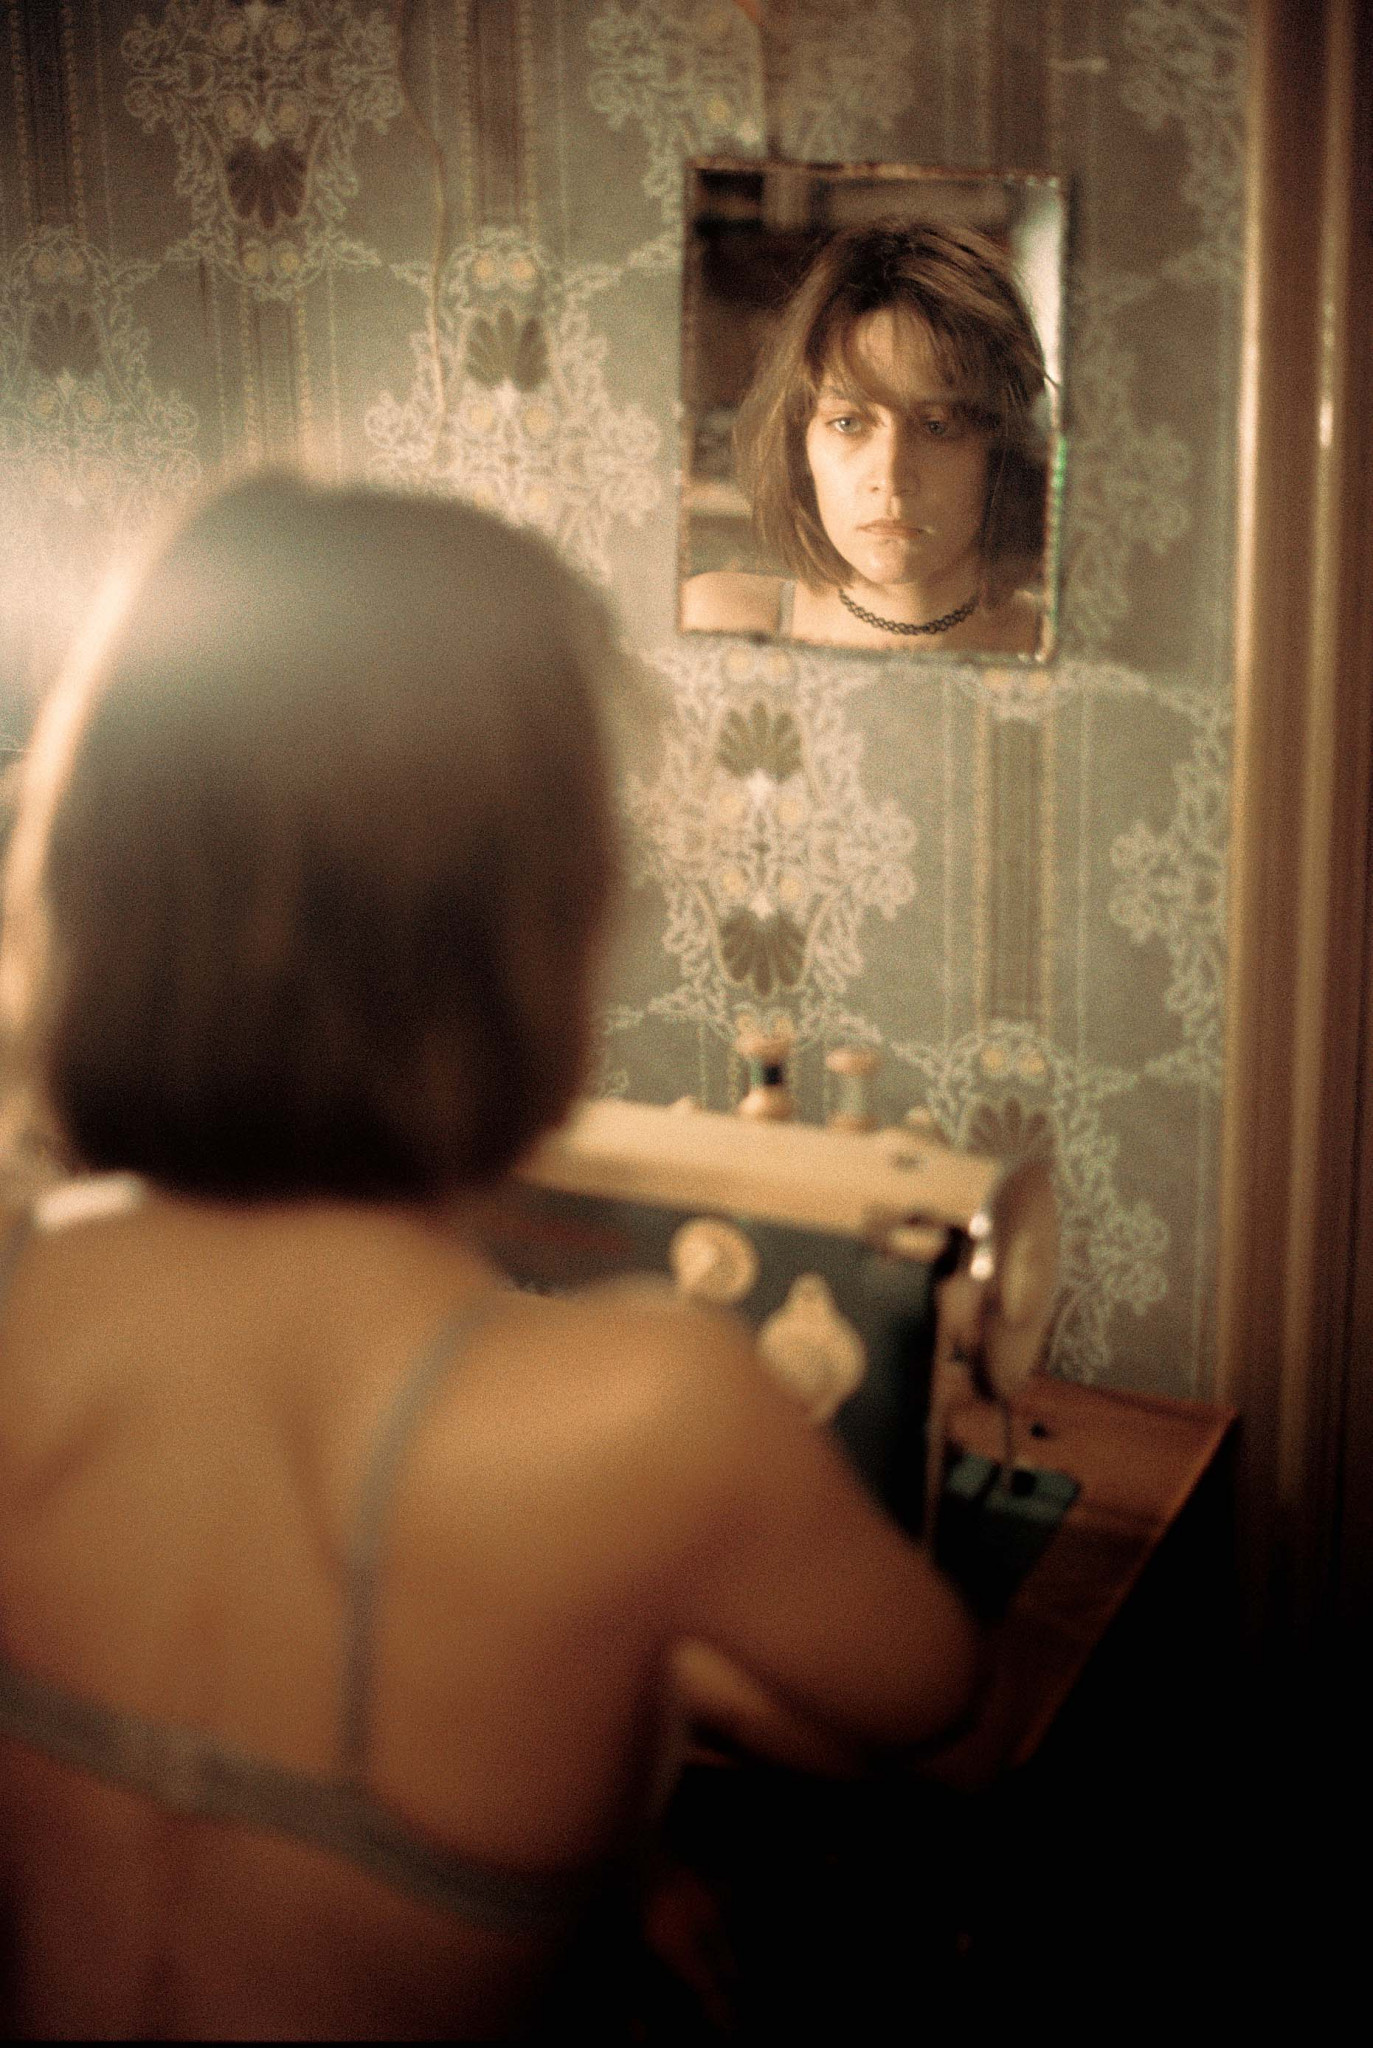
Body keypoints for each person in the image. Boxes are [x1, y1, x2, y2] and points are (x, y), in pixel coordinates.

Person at [0, 476, 979, 2040]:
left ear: (97, 877)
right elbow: (929, 1696)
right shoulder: (647, 1413)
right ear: (536, 921)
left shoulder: (26, 1296)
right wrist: (615, 1655)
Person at [682, 219, 1049, 655]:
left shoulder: (1063, 651)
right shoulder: (717, 624)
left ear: (1004, 450)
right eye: (848, 423)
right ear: (800, 442)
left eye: (937, 426)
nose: (890, 477)